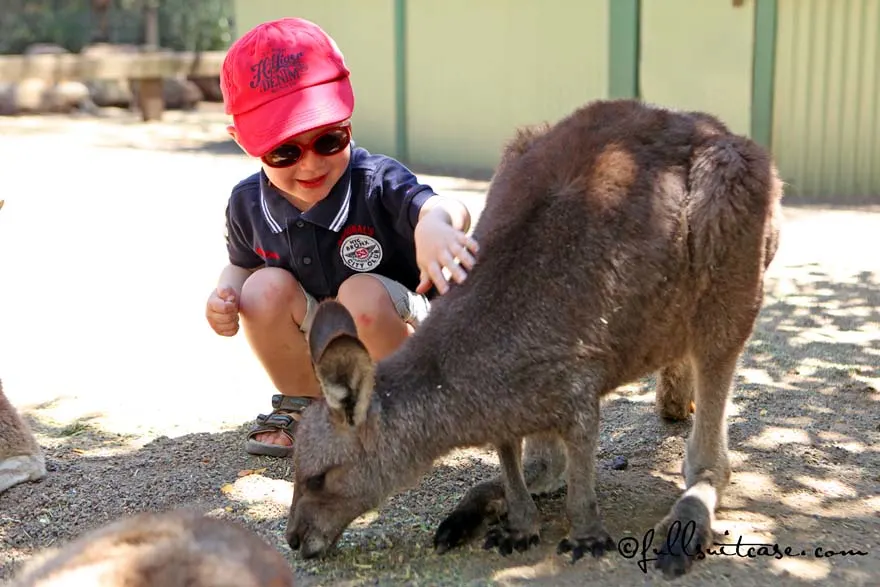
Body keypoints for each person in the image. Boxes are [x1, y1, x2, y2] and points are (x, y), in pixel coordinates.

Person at [205, 17, 479, 458]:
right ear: (243, 142)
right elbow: (241, 264)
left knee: (360, 294)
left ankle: (401, 408)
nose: (311, 164)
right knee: (261, 291)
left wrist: (436, 226)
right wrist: (227, 294)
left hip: (400, 321)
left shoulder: (374, 181)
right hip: (325, 326)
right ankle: (307, 405)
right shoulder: (247, 203)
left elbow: (442, 207)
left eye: (330, 139)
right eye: (285, 151)